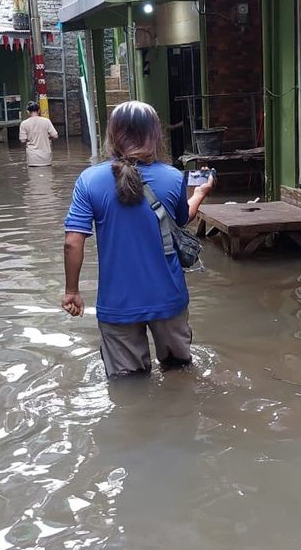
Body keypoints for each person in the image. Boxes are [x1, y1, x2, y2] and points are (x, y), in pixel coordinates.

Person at [62, 101, 215, 377]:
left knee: (127, 386)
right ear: (155, 135)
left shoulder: (89, 181)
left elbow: (73, 242)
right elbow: (181, 219)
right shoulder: (171, 176)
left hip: (117, 303)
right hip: (168, 297)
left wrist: (72, 291)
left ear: (112, 134)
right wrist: (201, 193)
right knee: (179, 375)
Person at [19, 101, 59, 167]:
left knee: (33, 176)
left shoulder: (24, 123)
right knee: (47, 175)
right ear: (39, 111)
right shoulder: (46, 121)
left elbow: (22, 140)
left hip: (32, 158)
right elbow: (55, 136)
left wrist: (30, 138)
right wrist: (48, 138)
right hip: (46, 157)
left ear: (28, 112)